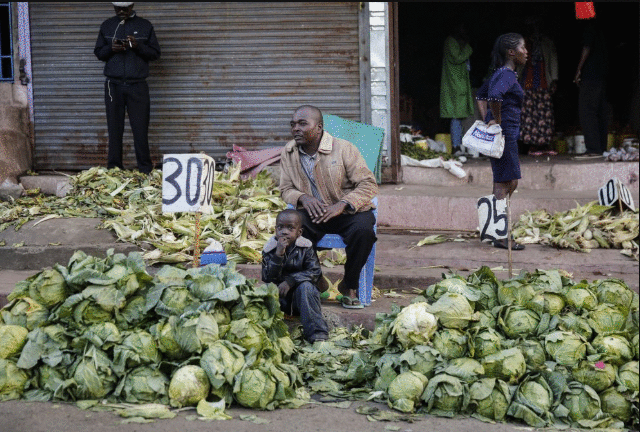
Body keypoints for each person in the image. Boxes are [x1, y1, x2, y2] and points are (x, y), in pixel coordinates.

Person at [279, 105, 378, 309]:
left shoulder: (344, 148)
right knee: (291, 230)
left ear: (319, 128)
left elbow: (368, 184)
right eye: (293, 124)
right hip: (313, 214)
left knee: (364, 231)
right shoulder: (289, 152)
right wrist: (303, 198)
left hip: (348, 211)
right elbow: (285, 189)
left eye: (302, 123)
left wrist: (343, 204)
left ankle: (349, 285)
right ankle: (318, 280)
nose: (295, 128)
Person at [94, 2, 161, 174]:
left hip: (137, 85)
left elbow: (155, 54)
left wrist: (138, 46)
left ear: (132, 6)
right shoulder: (107, 25)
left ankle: (145, 169)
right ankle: (114, 169)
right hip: (113, 85)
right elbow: (99, 53)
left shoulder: (144, 26)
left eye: (126, 8)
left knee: (140, 129)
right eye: (118, 9)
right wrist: (111, 48)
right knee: (114, 129)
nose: (122, 11)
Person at [476, 33, 528, 250]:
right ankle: (500, 234)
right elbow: (494, 98)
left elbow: (481, 96)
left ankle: (496, 229)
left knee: (506, 180)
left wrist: (487, 119)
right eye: (523, 48)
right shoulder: (507, 76)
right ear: (511, 53)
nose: (527, 52)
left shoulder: (499, 74)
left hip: (503, 133)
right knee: (507, 182)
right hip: (505, 133)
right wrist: (496, 123)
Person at [262, 209, 329, 343]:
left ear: (299, 232)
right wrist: (278, 254)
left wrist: (291, 280)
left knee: (306, 286)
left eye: (290, 228)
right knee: (264, 292)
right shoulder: (269, 249)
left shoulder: (306, 247)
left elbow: (314, 271)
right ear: (275, 229)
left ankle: (317, 333)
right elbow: (267, 277)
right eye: (280, 227)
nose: (284, 231)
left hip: (303, 298)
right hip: (281, 299)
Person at [519, 17, 559, 155]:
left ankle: (546, 145)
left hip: (543, 82)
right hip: (527, 84)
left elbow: (552, 60)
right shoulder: (522, 43)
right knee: (529, 115)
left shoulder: (546, 42)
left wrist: (554, 80)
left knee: (545, 115)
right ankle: (533, 146)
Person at [574, 18, 608, 156]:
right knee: (600, 112)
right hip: (603, 74)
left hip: (591, 74)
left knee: (587, 111)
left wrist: (579, 69)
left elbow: (587, 47)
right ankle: (601, 148)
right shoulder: (603, 26)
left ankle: (594, 149)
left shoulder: (589, 26)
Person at [440, 22, 474, 154]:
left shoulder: (455, 42)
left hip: (459, 84)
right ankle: (455, 146)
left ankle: (458, 145)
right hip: (453, 85)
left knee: (459, 117)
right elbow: (457, 57)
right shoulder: (450, 42)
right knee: (455, 115)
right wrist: (468, 48)